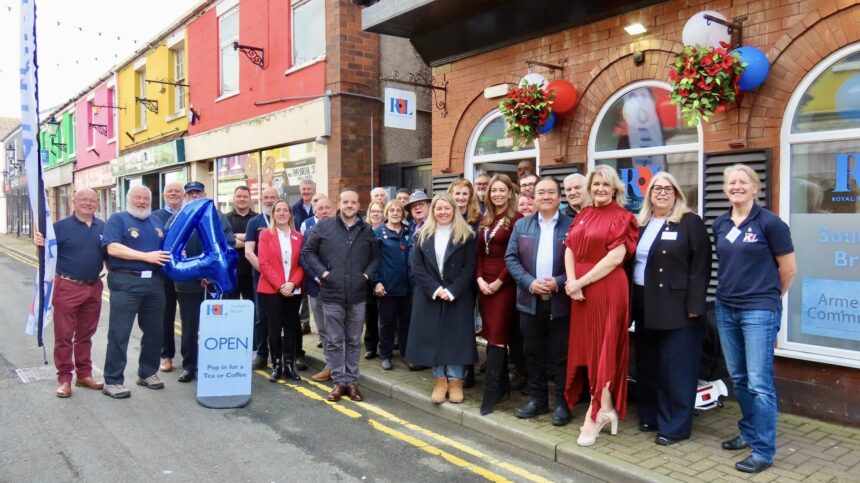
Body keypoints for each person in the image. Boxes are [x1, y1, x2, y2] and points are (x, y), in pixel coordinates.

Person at [712, 164, 796, 474]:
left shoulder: (771, 223)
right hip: (726, 308)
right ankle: (747, 433)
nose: (736, 186)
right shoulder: (720, 224)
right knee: (739, 377)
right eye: (730, 182)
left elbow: (788, 270)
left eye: (742, 181)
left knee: (760, 383)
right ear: (725, 189)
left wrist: (770, 302)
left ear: (754, 187)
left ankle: (763, 450)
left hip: (759, 310)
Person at [632, 172, 711, 446]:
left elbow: (701, 267)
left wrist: (695, 306)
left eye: (668, 189)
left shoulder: (690, 222)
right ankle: (651, 416)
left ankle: (675, 426)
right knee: (649, 364)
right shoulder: (641, 224)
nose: (662, 193)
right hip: (644, 302)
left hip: (677, 307)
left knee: (675, 369)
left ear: (677, 193)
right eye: (657, 189)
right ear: (649, 194)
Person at [563, 165, 639, 446]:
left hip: (607, 288)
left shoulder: (623, 217)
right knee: (589, 349)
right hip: (580, 291)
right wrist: (572, 283)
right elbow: (570, 247)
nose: (600, 189)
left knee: (603, 350)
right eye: (596, 184)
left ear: (615, 188)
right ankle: (606, 409)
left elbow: (615, 258)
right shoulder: (583, 213)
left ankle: (595, 416)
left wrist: (581, 281)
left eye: (606, 185)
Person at [505, 177, 573, 426]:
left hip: (561, 302)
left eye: (550, 192)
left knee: (561, 356)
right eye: (540, 192)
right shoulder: (522, 225)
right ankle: (538, 400)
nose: (545, 196)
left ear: (559, 197)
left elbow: (582, 262)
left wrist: (560, 280)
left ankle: (563, 404)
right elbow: (511, 258)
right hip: (529, 300)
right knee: (532, 353)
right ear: (533, 197)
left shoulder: (572, 225)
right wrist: (529, 282)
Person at [302, 188, 380, 402]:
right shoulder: (324, 226)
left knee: (354, 340)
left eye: (353, 202)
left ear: (358, 205)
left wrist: (366, 275)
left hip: (357, 295)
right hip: (331, 293)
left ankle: (351, 382)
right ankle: (339, 382)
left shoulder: (366, 230)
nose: (349, 206)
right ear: (340, 203)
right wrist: (324, 273)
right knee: (335, 340)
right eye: (345, 202)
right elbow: (308, 252)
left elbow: (375, 258)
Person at [34, 188, 106, 398]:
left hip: (94, 286)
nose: (88, 203)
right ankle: (64, 379)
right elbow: (44, 252)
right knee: (64, 336)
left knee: (86, 335)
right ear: (74, 202)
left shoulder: (103, 226)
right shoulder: (59, 227)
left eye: (92, 200)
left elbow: (111, 253)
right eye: (83, 199)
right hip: (67, 286)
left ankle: (84, 375)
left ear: (97, 204)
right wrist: (38, 242)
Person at [101, 186, 171, 398]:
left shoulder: (156, 221)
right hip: (126, 282)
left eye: (145, 198)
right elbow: (112, 248)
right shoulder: (118, 219)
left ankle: (147, 372)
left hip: (155, 284)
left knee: (154, 332)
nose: (142, 202)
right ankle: (113, 380)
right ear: (128, 199)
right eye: (137, 198)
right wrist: (145, 256)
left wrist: (176, 253)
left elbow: (165, 249)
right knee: (119, 333)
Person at [407, 194, 477, 404]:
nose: (443, 212)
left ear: (454, 210)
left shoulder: (467, 235)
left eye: (447, 208)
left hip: (458, 294)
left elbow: (469, 267)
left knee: (455, 338)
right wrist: (436, 289)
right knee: (433, 337)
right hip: (430, 294)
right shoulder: (421, 235)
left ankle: (456, 381)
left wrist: (452, 290)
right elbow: (417, 267)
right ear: (433, 211)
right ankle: (440, 380)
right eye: (438, 209)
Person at [168, 181, 235, 383]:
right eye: (191, 194)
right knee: (189, 326)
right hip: (187, 284)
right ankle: (189, 366)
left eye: (198, 193)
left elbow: (227, 245)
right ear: (186, 197)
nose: (194, 196)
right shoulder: (176, 218)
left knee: (214, 327)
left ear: (205, 194)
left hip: (212, 283)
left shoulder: (218, 216)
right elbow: (167, 249)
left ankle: (213, 364)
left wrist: (211, 273)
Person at [475, 174, 522, 415]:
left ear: (510, 193)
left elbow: (516, 255)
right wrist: (480, 279)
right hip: (485, 285)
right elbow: (479, 254)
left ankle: (491, 392)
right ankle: (502, 385)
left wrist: (498, 282)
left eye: (502, 190)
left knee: (497, 336)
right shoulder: (486, 219)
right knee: (491, 333)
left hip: (505, 285)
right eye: (494, 190)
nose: (497, 194)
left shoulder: (517, 219)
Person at [257, 199, 305, 382]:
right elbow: (264, 263)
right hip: (271, 289)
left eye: (286, 210)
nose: (282, 213)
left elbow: (302, 264)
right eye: (278, 210)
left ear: (290, 214)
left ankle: (289, 366)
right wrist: (280, 286)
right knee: (274, 328)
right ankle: (276, 365)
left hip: (293, 290)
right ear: (273, 213)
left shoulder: (298, 237)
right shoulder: (265, 235)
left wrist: (292, 283)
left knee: (291, 328)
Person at [373, 200, 413, 370]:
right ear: (386, 213)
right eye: (392, 210)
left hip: (407, 287)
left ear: (403, 214)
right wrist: (376, 282)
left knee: (406, 323)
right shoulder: (378, 233)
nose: (395, 213)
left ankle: (406, 354)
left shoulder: (409, 232)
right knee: (387, 323)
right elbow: (372, 259)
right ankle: (386, 355)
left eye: (399, 210)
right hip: (387, 288)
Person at [300, 195, 336, 382]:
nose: (323, 211)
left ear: (333, 210)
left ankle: (339, 367)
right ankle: (330, 365)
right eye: (320, 208)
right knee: (323, 329)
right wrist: (317, 277)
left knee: (338, 329)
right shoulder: (309, 232)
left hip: (337, 288)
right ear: (314, 211)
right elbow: (304, 259)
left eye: (327, 208)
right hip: (316, 287)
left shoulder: (342, 230)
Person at [245, 187, 281, 369]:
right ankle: (261, 354)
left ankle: (280, 356)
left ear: (278, 199)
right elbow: (249, 252)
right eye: (265, 197)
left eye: (272, 197)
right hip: (261, 277)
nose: (268, 201)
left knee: (282, 318)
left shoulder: (286, 220)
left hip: (284, 279)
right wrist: (267, 273)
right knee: (261, 317)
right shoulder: (254, 222)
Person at [152, 181, 184, 373]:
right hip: (163, 274)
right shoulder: (155, 217)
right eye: (169, 191)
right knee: (166, 316)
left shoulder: (189, 213)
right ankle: (166, 355)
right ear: (164, 196)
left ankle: (191, 357)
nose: (173, 194)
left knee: (190, 318)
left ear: (183, 195)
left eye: (177, 191)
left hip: (188, 273)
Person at [292, 179, 316, 338]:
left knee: (314, 290)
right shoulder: (293, 209)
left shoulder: (319, 206)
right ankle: (304, 322)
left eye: (309, 189)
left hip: (317, 254)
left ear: (314, 190)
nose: (306, 192)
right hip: (299, 251)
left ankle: (315, 325)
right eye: (303, 189)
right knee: (302, 291)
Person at [225, 185, 258, 302]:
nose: (242, 199)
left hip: (252, 271)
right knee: (230, 308)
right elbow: (222, 241)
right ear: (234, 198)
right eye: (239, 196)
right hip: (230, 272)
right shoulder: (225, 219)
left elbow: (261, 241)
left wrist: (239, 238)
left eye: (245, 196)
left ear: (250, 199)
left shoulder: (257, 219)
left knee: (253, 308)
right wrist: (248, 242)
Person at [363, 200, 386, 360]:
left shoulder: (388, 230)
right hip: (367, 279)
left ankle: (385, 346)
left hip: (384, 278)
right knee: (370, 315)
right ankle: (371, 347)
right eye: (373, 211)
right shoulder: (364, 231)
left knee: (384, 315)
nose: (376, 214)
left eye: (379, 211)